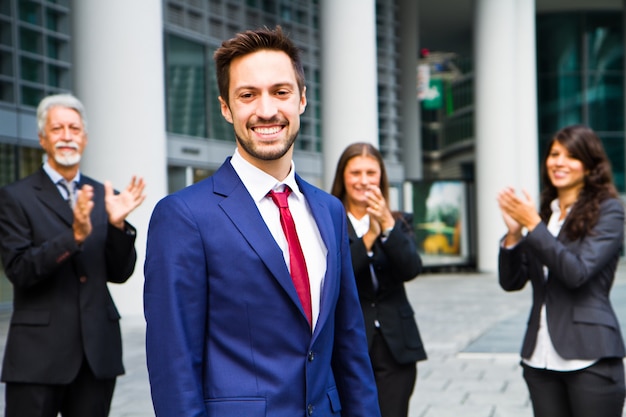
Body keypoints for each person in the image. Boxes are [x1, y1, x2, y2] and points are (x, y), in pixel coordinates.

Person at [143, 26, 381, 417]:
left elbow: (349, 345)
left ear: (302, 100)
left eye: (281, 92)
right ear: (226, 107)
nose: (267, 110)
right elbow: (174, 364)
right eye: (248, 95)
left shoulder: (329, 211)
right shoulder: (184, 216)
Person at [0, 93, 146, 417]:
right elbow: (20, 269)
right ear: (42, 138)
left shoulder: (105, 197)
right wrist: (74, 237)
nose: (67, 135)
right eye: (57, 129)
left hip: (96, 354)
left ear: (85, 137)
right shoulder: (15, 197)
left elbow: (119, 273)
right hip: (37, 357)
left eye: (74, 128)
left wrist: (119, 226)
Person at [497, 124, 626, 417]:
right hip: (539, 357)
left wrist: (534, 226)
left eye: (571, 156)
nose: (559, 162)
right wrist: (514, 235)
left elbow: (576, 273)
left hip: (590, 354)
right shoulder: (545, 213)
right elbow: (511, 281)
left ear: (589, 164)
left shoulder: (609, 211)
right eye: (554, 154)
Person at [330, 142, 427, 417]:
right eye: (355, 173)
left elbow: (411, 269)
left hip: (395, 344)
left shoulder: (399, 221)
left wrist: (386, 225)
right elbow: (336, 273)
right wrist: (369, 237)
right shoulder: (328, 219)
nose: (364, 181)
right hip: (347, 339)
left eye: (371, 173)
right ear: (343, 178)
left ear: (381, 177)